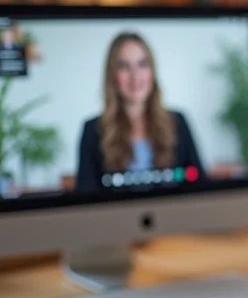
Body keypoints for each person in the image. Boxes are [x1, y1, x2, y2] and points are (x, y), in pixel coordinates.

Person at [75, 32, 206, 192]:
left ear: (152, 72)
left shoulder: (178, 122)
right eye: (124, 66)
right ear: (112, 75)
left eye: (142, 64)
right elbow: (85, 202)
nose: (135, 75)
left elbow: (201, 188)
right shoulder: (92, 131)